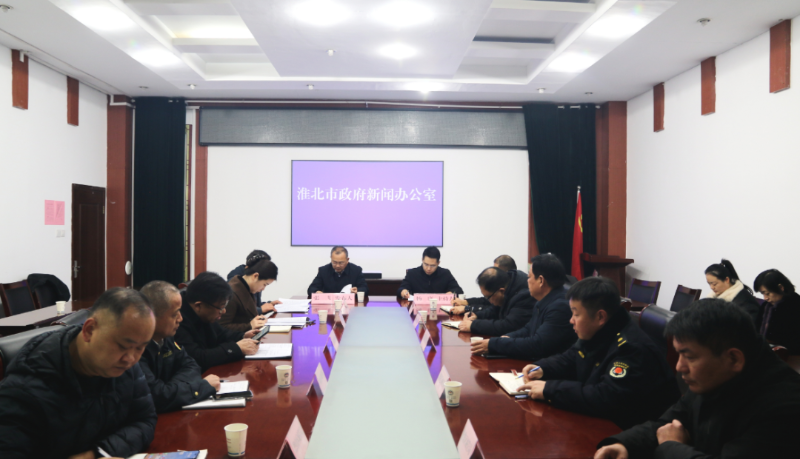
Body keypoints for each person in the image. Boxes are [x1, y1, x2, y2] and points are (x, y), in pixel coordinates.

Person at [595, 299, 800, 458]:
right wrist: (623, 444)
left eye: (690, 357)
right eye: (678, 354)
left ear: (734, 358)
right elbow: (668, 424)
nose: (679, 367)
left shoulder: (783, 408)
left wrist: (670, 447)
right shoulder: (713, 376)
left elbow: (669, 438)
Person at [0, 288, 157, 459]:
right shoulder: (25, 389)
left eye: (140, 348)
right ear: (89, 330)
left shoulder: (123, 365)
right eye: (122, 346)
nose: (131, 359)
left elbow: (145, 420)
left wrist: (96, 454)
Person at [516, 277, 679, 429]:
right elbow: (572, 357)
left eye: (576, 314)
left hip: (631, 433)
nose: (571, 320)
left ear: (600, 316)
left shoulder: (632, 349)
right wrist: (542, 368)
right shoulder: (599, 330)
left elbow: (605, 397)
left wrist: (550, 389)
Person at [473, 254, 576, 359]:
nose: (527, 280)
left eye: (529, 277)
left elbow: (537, 345)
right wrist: (508, 337)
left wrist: (495, 344)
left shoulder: (560, 307)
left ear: (541, 280)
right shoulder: (543, 300)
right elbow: (529, 328)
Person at [139, 281, 219, 413]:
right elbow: (157, 397)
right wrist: (200, 387)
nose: (180, 319)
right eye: (174, 314)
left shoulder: (166, 338)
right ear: (152, 316)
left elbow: (192, 365)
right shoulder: (135, 349)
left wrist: (171, 388)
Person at [174, 271, 261, 372]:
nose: (223, 311)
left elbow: (221, 333)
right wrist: (236, 348)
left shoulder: (204, 311)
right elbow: (197, 357)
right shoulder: (177, 320)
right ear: (199, 306)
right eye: (221, 307)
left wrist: (243, 336)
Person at [457, 266, 534, 336]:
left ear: (501, 291)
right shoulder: (506, 282)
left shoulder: (524, 296)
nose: (488, 301)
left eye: (488, 297)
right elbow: (495, 309)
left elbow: (508, 326)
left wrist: (473, 325)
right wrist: (477, 315)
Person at [221, 259, 279, 333]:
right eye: (264, 284)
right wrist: (249, 326)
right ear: (255, 276)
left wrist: (258, 320)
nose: (263, 289)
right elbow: (221, 327)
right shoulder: (232, 293)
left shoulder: (245, 287)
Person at [451, 254, 517, 314]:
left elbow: (492, 310)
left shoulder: (515, 294)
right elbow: (486, 300)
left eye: (496, 270)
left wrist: (467, 308)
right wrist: (465, 302)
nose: (494, 272)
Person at [754, 269, 800, 353]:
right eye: (762, 294)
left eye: (767, 293)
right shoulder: (765, 306)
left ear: (780, 288)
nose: (765, 298)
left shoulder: (795, 305)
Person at [398, 246, 463, 298]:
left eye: (432, 266)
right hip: (418, 308)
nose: (428, 269)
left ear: (438, 263)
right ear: (422, 260)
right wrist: (403, 291)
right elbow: (401, 289)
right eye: (426, 264)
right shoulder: (412, 273)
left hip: (440, 308)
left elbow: (459, 290)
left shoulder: (445, 273)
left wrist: (451, 293)